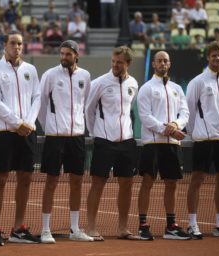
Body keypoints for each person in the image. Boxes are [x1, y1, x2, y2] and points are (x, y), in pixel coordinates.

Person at [0, 30, 41, 245]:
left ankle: (18, 228)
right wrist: (17, 123)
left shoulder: (31, 69)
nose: (17, 47)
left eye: (19, 44)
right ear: (5, 45)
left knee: (25, 178)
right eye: (13, 43)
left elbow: (37, 97)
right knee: (0, 179)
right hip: (5, 133)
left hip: (28, 131)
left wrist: (27, 123)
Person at [38, 40, 93, 243]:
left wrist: (81, 128)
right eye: (61, 54)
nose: (63, 57)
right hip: (55, 137)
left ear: (76, 56)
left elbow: (86, 105)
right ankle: (45, 229)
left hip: (77, 137)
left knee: (77, 182)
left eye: (68, 54)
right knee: (51, 182)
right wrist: (49, 127)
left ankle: (75, 229)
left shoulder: (85, 76)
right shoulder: (50, 75)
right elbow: (41, 104)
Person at [85, 46, 139, 241]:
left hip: (127, 142)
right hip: (104, 141)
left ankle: (123, 228)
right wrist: (95, 133)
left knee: (127, 184)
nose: (116, 65)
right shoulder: (99, 83)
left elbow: (127, 110)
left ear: (128, 63)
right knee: (98, 183)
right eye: (114, 62)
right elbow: (88, 110)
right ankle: (91, 227)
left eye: (120, 62)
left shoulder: (134, 83)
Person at [137, 51, 190, 241]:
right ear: (154, 64)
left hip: (172, 144)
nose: (162, 63)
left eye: (165, 60)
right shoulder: (146, 88)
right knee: (147, 182)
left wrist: (176, 125)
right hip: (152, 143)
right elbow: (145, 117)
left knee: (172, 183)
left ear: (170, 63)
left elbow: (184, 112)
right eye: (159, 60)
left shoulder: (177, 88)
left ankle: (171, 226)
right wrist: (167, 129)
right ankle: (143, 225)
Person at [186, 41, 219, 239]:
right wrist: (196, 132)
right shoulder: (198, 81)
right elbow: (190, 110)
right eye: (214, 55)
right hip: (204, 139)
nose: (218, 58)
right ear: (207, 57)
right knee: (197, 179)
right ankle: (192, 223)